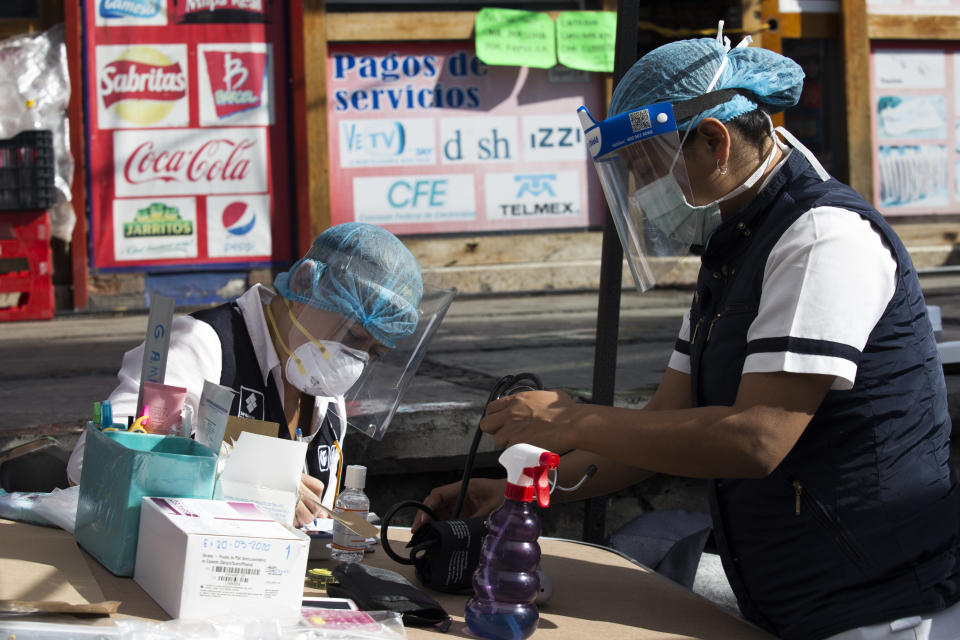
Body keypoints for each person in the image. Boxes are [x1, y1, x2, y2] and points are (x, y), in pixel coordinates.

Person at [415, 32, 960, 640]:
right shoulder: (736, 249)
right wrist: (521, 490)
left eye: (649, 166)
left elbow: (758, 439)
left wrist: (572, 419)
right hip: (790, 601)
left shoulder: (822, 238)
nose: (650, 192)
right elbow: (658, 429)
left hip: (875, 611)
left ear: (715, 140)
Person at [68, 222, 423, 527]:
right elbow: (92, 466)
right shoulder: (203, 346)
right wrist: (234, 480)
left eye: (373, 353)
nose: (355, 361)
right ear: (304, 284)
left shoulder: (329, 404)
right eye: (354, 336)